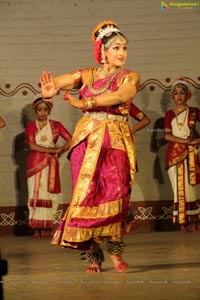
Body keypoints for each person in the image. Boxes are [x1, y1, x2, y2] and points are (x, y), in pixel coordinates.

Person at [40, 20, 140, 272]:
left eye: (125, 48)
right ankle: (94, 256)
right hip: (87, 140)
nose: (121, 53)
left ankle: (116, 250)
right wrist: (54, 87)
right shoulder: (90, 74)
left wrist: (85, 104)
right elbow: (68, 79)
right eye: (116, 48)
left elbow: (120, 96)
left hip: (115, 139)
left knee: (115, 193)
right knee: (87, 195)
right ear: (103, 51)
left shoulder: (130, 76)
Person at [26, 95, 72, 238]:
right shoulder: (30, 126)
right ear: (35, 111)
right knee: (35, 194)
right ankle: (36, 228)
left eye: (45, 109)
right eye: (39, 110)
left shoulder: (56, 125)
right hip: (34, 164)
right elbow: (32, 145)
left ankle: (47, 227)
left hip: (50, 164)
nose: (42, 112)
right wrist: (53, 150)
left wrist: (62, 150)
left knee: (49, 194)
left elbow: (72, 139)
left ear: (49, 111)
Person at [164, 78, 200, 234]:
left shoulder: (194, 112)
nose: (179, 96)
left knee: (192, 189)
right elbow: (167, 136)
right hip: (174, 155)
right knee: (178, 190)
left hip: (192, 153)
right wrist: (186, 141)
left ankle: (195, 222)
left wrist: (198, 140)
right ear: (173, 96)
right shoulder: (169, 114)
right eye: (176, 93)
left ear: (188, 95)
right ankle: (182, 223)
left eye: (182, 93)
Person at [124, 103, 151, 234]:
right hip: (104, 146)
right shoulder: (101, 103)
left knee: (121, 186)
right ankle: (126, 219)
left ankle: (127, 219)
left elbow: (145, 120)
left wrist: (130, 130)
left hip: (123, 148)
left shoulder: (125, 103)